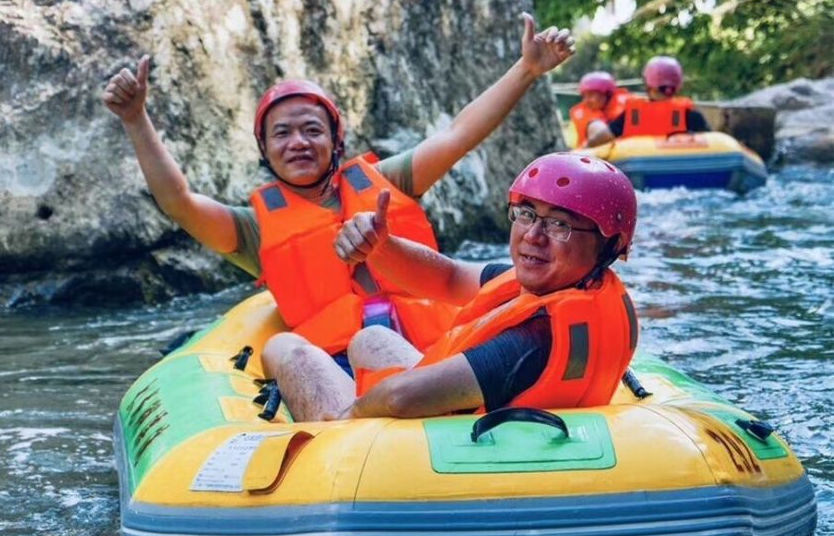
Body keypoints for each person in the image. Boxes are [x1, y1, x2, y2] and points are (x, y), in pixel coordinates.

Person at [103, 13, 574, 357]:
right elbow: (178, 201)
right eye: (282, 133)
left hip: (435, 347)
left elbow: (458, 135)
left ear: (335, 140)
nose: (298, 142)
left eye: (312, 129)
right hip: (340, 361)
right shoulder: (253, 229)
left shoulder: (387, 181)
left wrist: (527, 70)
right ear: (264, 150)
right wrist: (135, 118)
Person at [262, 152, 639, 422]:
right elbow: (448, 277)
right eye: (526, 215)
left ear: (609, 245)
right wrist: (381, 247)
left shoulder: (535, 336)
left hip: (448, 444)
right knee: (370, 338)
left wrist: (352, 415)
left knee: (289, 351)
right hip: (470, 414)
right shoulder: (570, 286)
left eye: (560, 225)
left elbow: (401, 396)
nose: (533, 236)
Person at [587, 56, 709, 144]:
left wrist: (586, 147)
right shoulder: (692, 115)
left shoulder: (633, 114)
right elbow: (713, 143)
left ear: (647, 83)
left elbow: (600, 139)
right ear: (678, 84)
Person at [568, 71, 626, 146]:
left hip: (626, 150)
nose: (586, 101)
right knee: (595, 125)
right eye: (584, 96)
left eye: (590, 95)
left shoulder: (626, 106)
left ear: (606, 94)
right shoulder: (580, 113)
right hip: (590, 152)